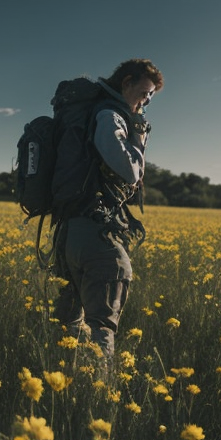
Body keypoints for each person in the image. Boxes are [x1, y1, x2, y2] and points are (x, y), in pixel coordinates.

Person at [51, 58, 164, 358]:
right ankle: (98, 395)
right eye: (143, 91)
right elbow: (129, 171)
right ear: (126, 82)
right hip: (93, 229)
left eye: (151, 95)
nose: (146, 100)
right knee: (102, 328)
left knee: (70, 325)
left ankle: (62, 391)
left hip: (69, 231)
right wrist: (139, 139)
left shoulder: (89, 112)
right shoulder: (109, 115)